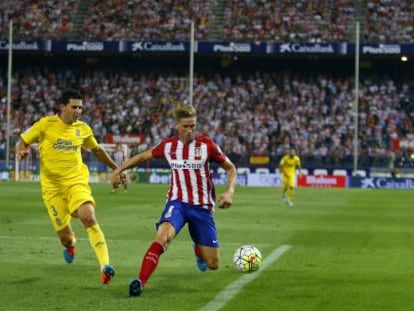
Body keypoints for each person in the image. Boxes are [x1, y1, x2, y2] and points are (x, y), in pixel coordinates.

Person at [111, 105, 237, 297]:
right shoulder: (168, 146)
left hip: (201, 208)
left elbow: (231, 168)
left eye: (193, 126)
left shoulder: (207, 146)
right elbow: (143, 156)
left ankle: (197, 248)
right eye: (185, 126)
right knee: (162, 238)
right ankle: (140, 281)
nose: (189, 131)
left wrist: (229, 192)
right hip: (176, 204)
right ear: (177, 125)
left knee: (213, 264)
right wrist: (118, 170)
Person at [16, 88, 122, 284]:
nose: (78, 111)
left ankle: (105, 266)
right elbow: (22, 141)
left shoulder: (83, 129)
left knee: (88, 217)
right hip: (52, 190)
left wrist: (117, 168)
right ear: (63, 106)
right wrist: (21, 151)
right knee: (65, 237)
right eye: (74, 107)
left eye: (80, 108)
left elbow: (97, 149)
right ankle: (70, 245)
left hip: (76, 183)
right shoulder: (45, 125)